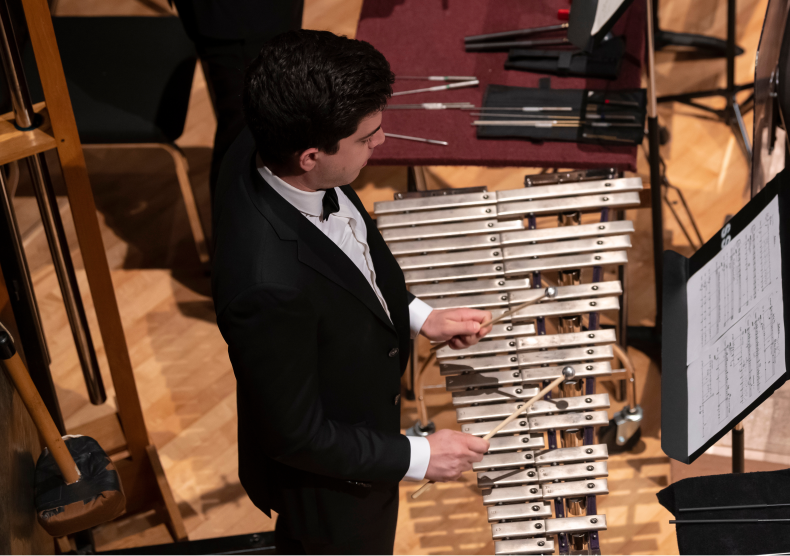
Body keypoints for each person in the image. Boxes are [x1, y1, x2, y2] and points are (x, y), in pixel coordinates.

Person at [212, 30, 492, 555]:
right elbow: (296, 436)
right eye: (367, 138)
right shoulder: (266, 288)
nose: (380, 144)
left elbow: (347, 267)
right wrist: (419, 457)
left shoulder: (272, 136)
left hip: (356, 405)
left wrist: (417, 315)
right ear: (311, 155)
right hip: (331, 484)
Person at [172, 0, 304, 202]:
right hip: (240, 15)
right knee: (247, 134)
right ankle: (233, 231)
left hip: (258, 13)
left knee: (265, 126)